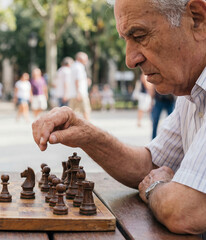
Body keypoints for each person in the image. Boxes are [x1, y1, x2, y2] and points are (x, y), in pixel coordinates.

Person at [32, 0, 206, 235]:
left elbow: (184, 210)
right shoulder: (191, 92)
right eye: (127, 40)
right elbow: (150, 165)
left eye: (140, 35)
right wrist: (87, 134)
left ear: (197, 19)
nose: (130, 59)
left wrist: (154, 188)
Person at [69, 52, 91, 121]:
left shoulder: (74, 66)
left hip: (74, 93)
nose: (86, 61)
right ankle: (88, 128)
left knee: (72, 113)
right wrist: (78, 92)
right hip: (80, 93)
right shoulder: (79, 67)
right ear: (80, 59)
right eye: (86, 59)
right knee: (86, 111)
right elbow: (77, 80)